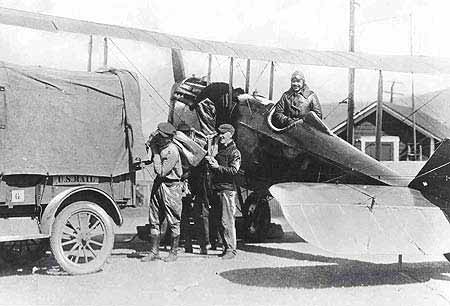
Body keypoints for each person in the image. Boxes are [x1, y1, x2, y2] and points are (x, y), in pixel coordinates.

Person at [142, 122, 183, 262]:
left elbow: (161, 171)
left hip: (171, 187)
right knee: (154, 219)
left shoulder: (172, 151)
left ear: (169, 138)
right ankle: (154, 251)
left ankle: (173, 252)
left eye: (162, 136)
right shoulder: (161, 146)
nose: (159, 137)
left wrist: (154, 152)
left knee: (173, 221)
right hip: (159, 185)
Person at [206, 123, 241, 260]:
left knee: (227, 221)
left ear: (230, 135)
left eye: (223, 134)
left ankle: (231, 250)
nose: (220, 136)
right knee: (220, 221)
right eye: (219, 134)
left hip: (227, 190)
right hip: (218, 189)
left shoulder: (234, 152)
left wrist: (216, 166)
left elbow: (234, 171)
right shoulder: (220, 149)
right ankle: (226, 247)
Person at [177, 122, 210, 255]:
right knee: (195, 217)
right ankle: (194, 245)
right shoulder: (196, 147)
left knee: (192, 216)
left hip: (194, 187)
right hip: (192, 187)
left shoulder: (193, 148)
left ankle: (197, 245)